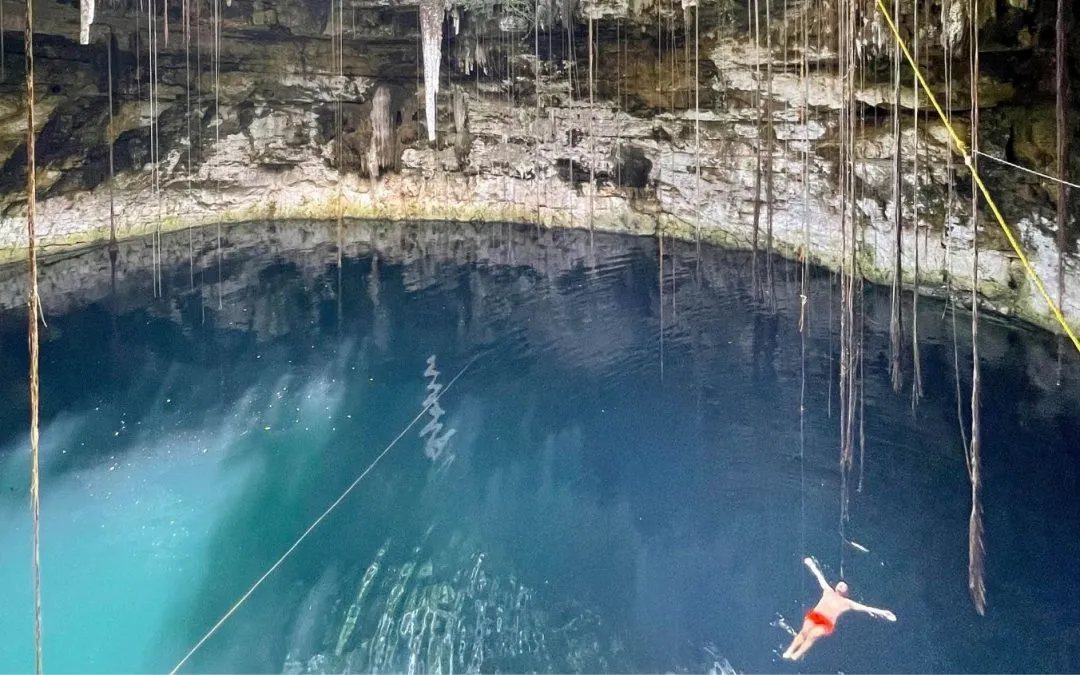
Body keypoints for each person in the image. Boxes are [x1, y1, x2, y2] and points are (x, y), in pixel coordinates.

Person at [782, 556, 896, 661]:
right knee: (803, 633)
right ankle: (789, 651)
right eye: (840, 584)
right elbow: (819, 577)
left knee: (812, 636)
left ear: (847, 592)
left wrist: (883, 613)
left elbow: (866, 608)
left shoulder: (848, 603)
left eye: (844, 586)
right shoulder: (828, 590)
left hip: (825, 623)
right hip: (815, 615)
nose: (841, 585)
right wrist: (811, 564)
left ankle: (796, 655)